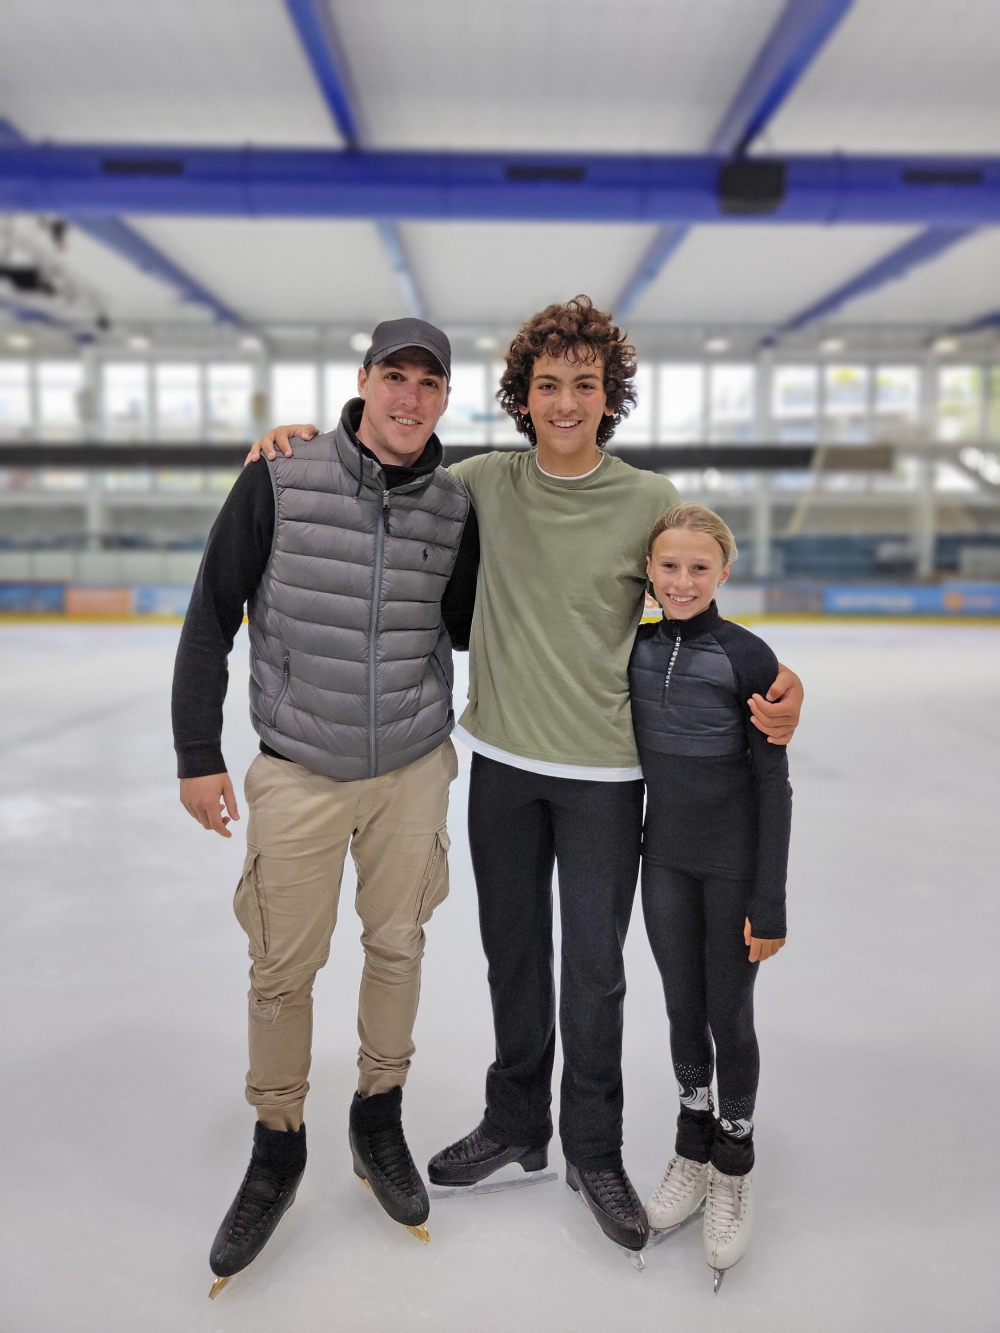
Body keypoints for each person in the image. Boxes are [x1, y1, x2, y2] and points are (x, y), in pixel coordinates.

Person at [248, 295, 803, 1258]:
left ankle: (593, 1147)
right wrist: (291, 440)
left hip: (605, 774)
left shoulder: (646, 499)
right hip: (501, 762)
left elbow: (693, 597)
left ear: (608, 395)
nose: (565, 401)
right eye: (547, 384)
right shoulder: (480, 484)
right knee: (513, 955)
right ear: (523, 395)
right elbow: (386, 460)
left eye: (584, 384)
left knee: (594, 970)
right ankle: (517, 1124)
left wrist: (780, 681)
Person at [171, 318, 476, 1294]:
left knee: (398, 946)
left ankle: (376, 1115)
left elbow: (477, 626)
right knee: (280, 964)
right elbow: (210, 615)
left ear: (444, 400)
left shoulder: (458, 506)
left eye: (429, 384)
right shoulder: (279, 476)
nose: (410, 398)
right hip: (297, 766)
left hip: (412, 768)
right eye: (396, 376)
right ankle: (278, 1139)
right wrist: (195, 754)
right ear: (364, 381)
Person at [630, 503, 790, 1289]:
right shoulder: (634, 647)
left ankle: (734, 1159)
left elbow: (774, 783)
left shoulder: (747, 656)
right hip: (663, 863)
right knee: (680, 1006)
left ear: (723, 573)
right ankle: (692, 1140)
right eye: (669, 566)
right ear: (649, 572)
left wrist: (772, 899)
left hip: (732, 870)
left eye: (699, 567)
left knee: (730, 1012)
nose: (683, 580)